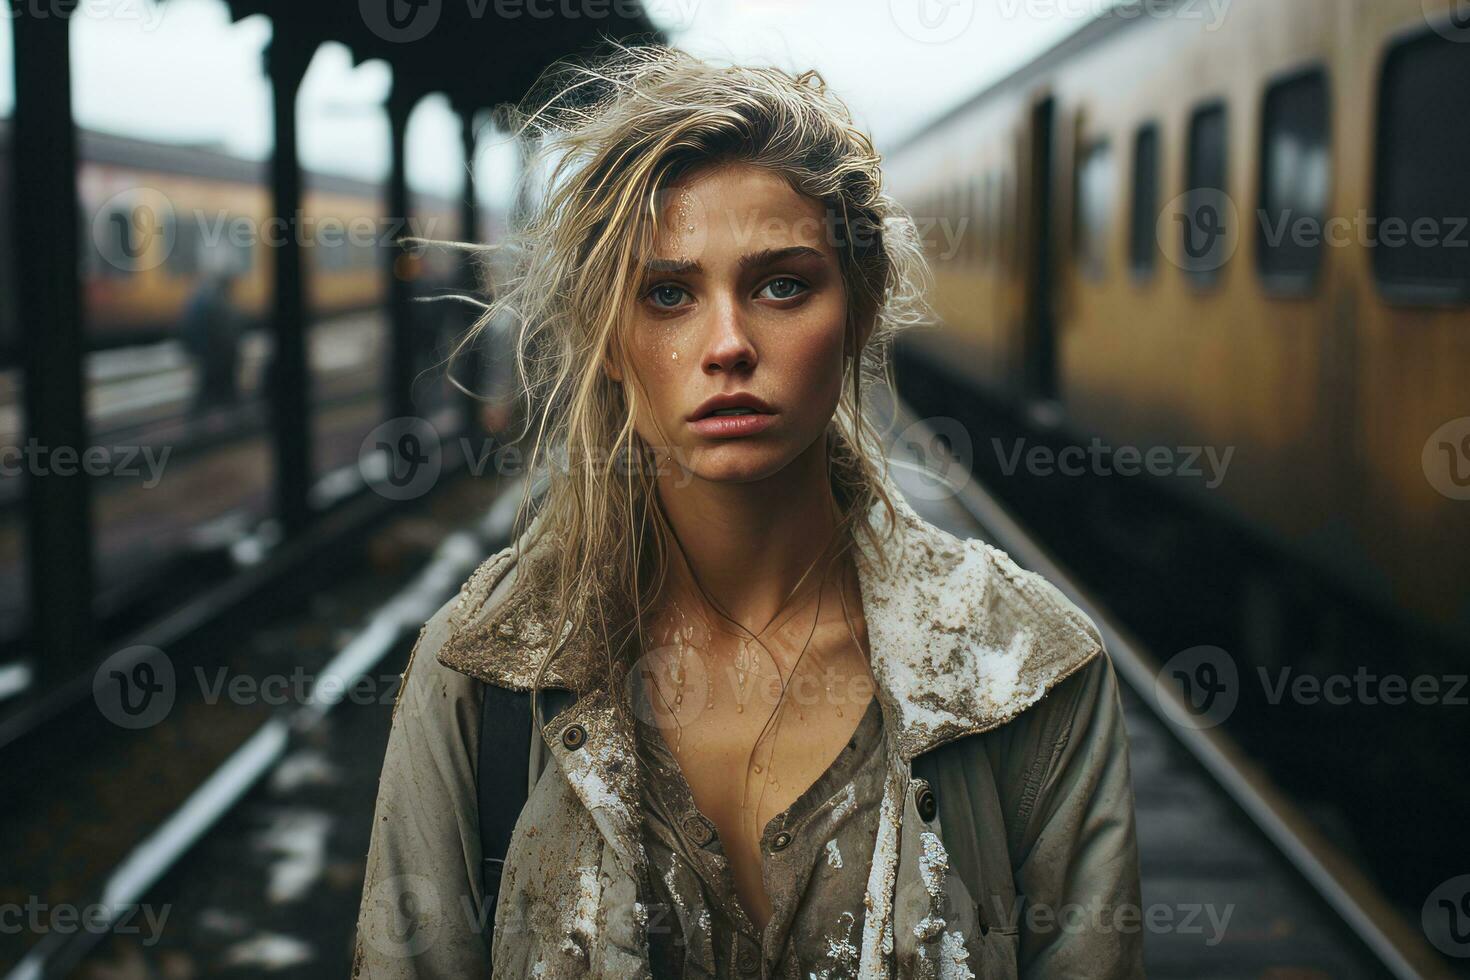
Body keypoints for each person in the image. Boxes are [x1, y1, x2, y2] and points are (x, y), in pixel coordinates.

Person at [353, 43, 1143, 979]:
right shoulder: (482, 675)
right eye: (669, 294)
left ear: (859, 308)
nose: (728, 345)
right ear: (609, 339)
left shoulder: (1030, 674)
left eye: (782, 285)